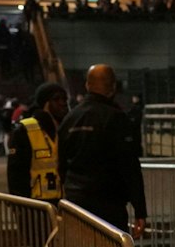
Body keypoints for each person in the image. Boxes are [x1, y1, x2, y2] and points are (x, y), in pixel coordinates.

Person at [57, 64, 148, 237]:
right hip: (109, 204)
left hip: (76, 203)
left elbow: (61, 164)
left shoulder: (70, 119)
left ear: (87, 85)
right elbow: (129, 166)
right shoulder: (116, 118)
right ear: (113, 87)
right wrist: (140, 210)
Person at [7, 83, 70, 202]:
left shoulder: (65, 128)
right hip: (35, 204)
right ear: (45, 103)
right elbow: (16, 173)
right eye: (56, 99)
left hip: (63, 203)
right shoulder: (25, 129)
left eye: (65, 99)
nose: (63, 103)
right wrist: (19, 204)